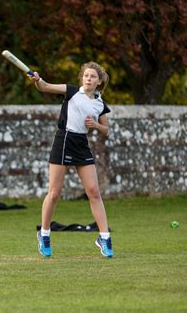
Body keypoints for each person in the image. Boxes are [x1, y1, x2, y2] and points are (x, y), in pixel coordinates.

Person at [28, 62, 114, 258]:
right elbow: (45, 87)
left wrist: (95, 125)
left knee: (93, 191)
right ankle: (44, 234)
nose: (88, 79)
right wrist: (37, 80)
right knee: (55, 192)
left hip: (81, 143)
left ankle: (104, 237)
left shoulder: (100, 103)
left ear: (99, 81)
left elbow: (106, 130)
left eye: (93, 76)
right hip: (64, 139)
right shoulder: (72, 91)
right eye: (86, 76)